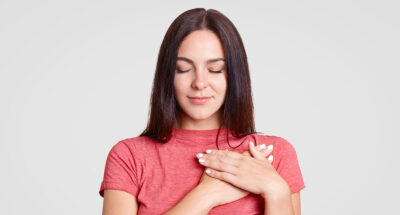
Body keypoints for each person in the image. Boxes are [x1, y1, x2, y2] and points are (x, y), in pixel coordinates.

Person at [99, 8, 305, 215]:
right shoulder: (130, 156)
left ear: (234, 75)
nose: (199, 83)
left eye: (215, 69)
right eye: (183, 69)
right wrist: (208, 193)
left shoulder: (272, 154)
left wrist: (276, 189)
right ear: (167, 75)